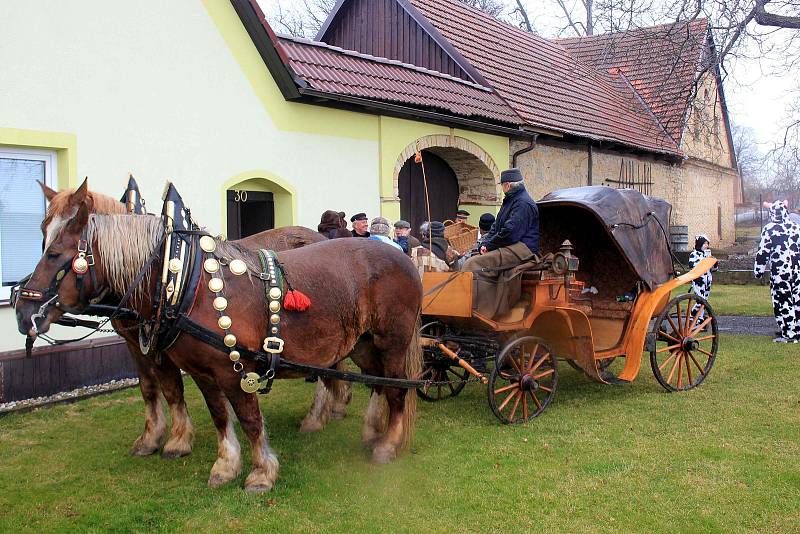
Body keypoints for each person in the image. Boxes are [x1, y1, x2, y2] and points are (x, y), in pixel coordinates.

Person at [461, 168, 539, 317]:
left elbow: (511, 233)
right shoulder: (510, 201)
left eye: (502, 185)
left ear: (508, 185)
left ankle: (479, 310)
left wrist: (490, 245)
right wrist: (483, 245)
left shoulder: (523, 203)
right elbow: (496, 227)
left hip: (522, 248)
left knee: (473, 265)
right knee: (472, 259)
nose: (502, 188)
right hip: (509, 244)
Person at [754, 200, 800, 343]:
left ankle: (789, 334)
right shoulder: (795, 227)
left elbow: (763, 252)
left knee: (782, 300)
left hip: (780, 273)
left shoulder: (770, 229)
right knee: (796, 299)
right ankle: (796, 329)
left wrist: (758, 271)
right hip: (797, 271)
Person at [687, 234, 718, 320]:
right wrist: (704, 260)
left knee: (705, 301)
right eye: (704, 243)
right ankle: (692, 318)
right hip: (698, 281)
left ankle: (699, 318)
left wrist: (714, 263)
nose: (706, 245)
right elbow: (692, 265)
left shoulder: (707, 254)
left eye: (707, 243)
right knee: (700, 301)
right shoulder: (694, 254)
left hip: (707, 280)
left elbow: (713, 269)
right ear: (700, 243)